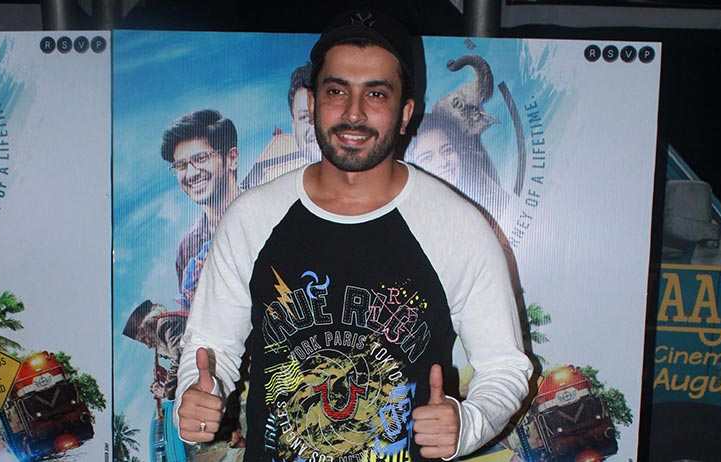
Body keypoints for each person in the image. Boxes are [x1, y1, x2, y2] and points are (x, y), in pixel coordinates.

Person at [174, 9, 532, 462]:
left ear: (405, 113)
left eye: (376, 93)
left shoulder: (456, 226)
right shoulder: (252, 218)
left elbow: (504, 367)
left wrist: (467, 425)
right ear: (312, 103)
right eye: (337, 91)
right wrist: (197, 393)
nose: (354, 112)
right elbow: (210, 348)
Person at [160, 109, 241, 308]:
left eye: (201, 158)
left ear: (231, 158)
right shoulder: (188, 248)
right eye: (181, 165)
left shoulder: (267, 216)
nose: (191, 173)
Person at [404, 112, 510, 219]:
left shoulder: (490, 197)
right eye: (427, 158)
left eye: (447, 150)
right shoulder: (414, 217)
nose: (443, 162)